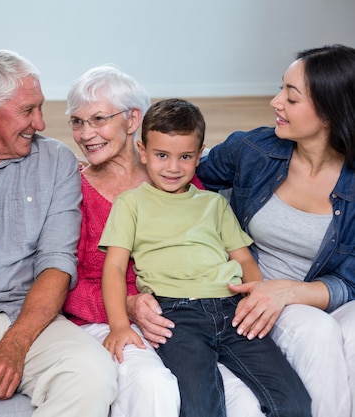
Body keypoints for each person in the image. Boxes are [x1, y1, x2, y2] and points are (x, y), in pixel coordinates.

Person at [62, 66, 264, 417]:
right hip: (107, 321)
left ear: (132, 120)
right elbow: (63, 281)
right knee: (156, 387)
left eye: (97, 119)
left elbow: (212, 252)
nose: (85, 133)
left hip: (186, 318)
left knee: (244, 402)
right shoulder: (73, 191)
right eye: (77, 122)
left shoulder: (178, 179)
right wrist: (127, 306)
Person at [99, 98, 311, 417]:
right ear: (142, 151)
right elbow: (114, 267)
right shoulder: (130, 204)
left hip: (232, 309)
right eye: (161, 155)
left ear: (200, 155)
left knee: (293, 401)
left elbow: (244, 260)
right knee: (201, 406)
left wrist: (256, 301)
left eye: (185, 157)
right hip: (176, 315)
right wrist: (118, 325)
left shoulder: (214, 204)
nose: (173, 167)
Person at [0, 49, 117, 417]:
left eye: (40, 108)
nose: (40, 123)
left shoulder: (56, 162)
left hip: (30, 320)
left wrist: (16, 344)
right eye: (28, 110)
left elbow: (57, 261)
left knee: (93, 374)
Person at [196, 44, 355, 417]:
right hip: (258, 297)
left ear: (331, 111)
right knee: (316, 331)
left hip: (328, 296)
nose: (275, 102)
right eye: (280, 88)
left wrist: (292, 291)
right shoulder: (254, 150)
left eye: (291, 96)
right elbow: (183, 174)